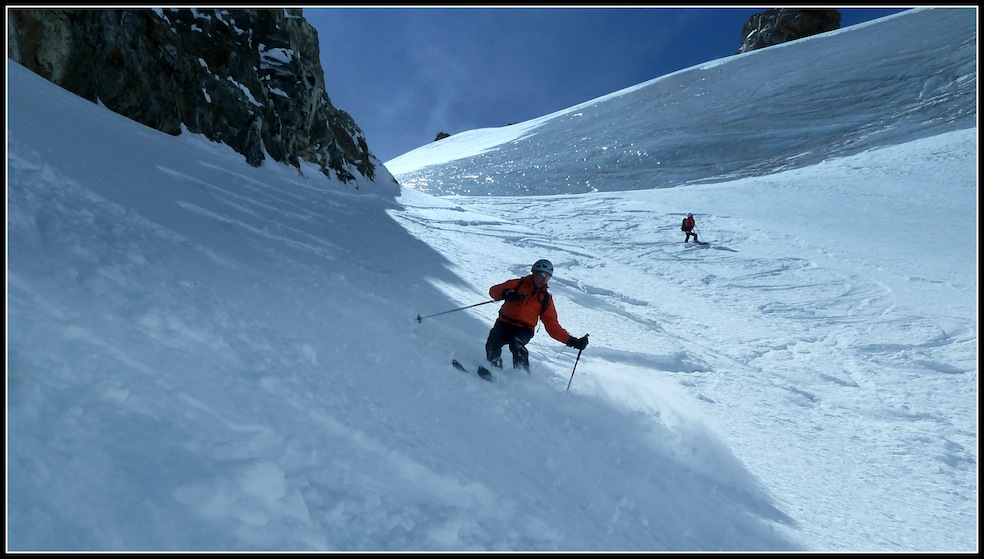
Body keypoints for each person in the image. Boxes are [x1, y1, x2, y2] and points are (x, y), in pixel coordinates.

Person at [486, 259, 589, 372]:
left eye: (548, 277)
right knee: (493, 342)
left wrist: (573, 341)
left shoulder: (545, 299)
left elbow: (552, 326)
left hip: (524, 330)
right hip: (503, 323)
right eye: (542, 275)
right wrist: (506, 293)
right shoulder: (517, 284)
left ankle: (522, 376)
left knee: (516, 343)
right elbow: (493, 291)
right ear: (534, 272)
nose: (544, 279)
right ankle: (494, 369)